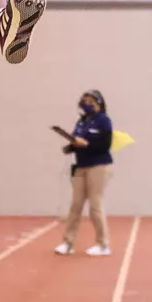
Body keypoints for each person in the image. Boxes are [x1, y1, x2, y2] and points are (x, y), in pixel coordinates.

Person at [53, 91, 114, 257]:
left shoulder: (104, 120)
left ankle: (103, 244)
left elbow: (105, 145)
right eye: (84, 101)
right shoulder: (82, 121)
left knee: (95, 205)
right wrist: (71, 146)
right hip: (81, 166)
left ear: (98, 103)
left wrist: (86, 144)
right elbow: (76, 139)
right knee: (76, 205)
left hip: (99, 166)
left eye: (90, 101)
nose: (86, 104)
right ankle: (68, 242)